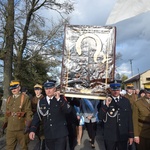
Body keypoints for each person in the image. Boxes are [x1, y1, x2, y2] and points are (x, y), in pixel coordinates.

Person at [29, 80, 72, 150]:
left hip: (60, 133)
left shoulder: (60, 99)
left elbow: (68, 110)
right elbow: (37, 116)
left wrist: (59, 99)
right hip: (48, 133)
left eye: (50, 88)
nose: (48, 91)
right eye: (46, 89)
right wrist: (32, 130)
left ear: (54, 89)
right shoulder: (41, 101)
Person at [98, 82, 134, 150]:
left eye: (117, 90)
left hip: (123, 134)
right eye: (114, 90)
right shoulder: (106, 101)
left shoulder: (126, 101)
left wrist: (131, 135)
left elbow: (129, 119)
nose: (115, 92)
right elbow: (100, 117)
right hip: (110, 135)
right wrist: (106, 106)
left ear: (120, 90)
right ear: (111, 90)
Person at [2, 80, 33, 150]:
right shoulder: (9, 99)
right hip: (10, 129)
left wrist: (28, 126)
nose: (13, 90)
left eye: (15, 88)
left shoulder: (25, 98)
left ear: (19, 88)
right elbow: (7, 113)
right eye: (12, 88)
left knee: (24, 147)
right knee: (9, 147)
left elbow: (28, 112)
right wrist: (4, 125)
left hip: (21, 128)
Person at [133, 84, 150, 150]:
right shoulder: (138, 103)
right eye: (148, 92)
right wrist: (136, 135)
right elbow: (134, 120)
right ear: (145, 92)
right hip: (142, 133)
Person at [31, 83, 45, 150]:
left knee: (43, 137)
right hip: (35, 120)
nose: (37, 91)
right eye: (35, 90)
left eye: (38, 90)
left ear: (41, 91)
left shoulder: (44, 98)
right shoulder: (32, 99)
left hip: (43, 120)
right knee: (38, 136)